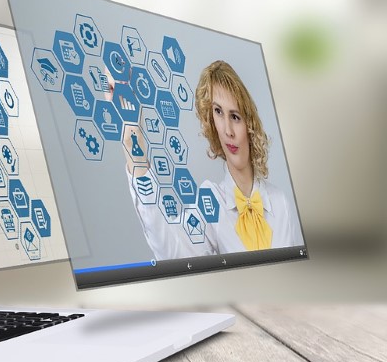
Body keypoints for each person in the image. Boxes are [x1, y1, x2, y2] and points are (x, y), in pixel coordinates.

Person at [126, 60, 303, 259]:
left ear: (249, 123)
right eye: (218, 113)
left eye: (235, 116)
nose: (228, 131)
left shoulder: (281, 203)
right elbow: (168, 248)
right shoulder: (210, 202)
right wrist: (133, 137)